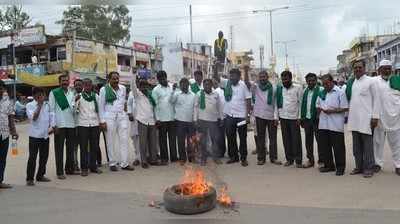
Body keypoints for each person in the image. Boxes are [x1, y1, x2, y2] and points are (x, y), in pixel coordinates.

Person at [346, 60, 379, 178]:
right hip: (354, 119)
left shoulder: (371, 81)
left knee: (368, 146)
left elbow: (377, 100)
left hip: (366, 119)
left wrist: (375, 117)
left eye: (360, 67)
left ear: (364, 68)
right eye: (355, 68)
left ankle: (369, 168)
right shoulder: (352, 82)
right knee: (356, 147)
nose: (357, 69)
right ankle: (359, 167)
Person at [215, 68, 252, 166]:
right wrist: (215, 68)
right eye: (230, 75)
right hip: (229, 116)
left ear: (239, 77)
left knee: (242, 137)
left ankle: (243, 158)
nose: (232, 77)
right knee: (231, 137)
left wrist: (248, 115)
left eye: (234, 75)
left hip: (241, 117)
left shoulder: (243, 85)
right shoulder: (227, 83)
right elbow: (216, 78)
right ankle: (234, 157)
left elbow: (248, 100)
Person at [99, 71, 134, 172]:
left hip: (122, 116)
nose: (116, 80)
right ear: (109, 79)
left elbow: (124, 102)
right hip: (109, 117)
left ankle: (124, 163)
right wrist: (102, 121)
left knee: (124, 140)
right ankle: (112, 163)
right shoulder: (104, 89)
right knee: (110, 141)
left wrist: (126, 112)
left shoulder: (123, 88)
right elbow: (101, 106)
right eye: (113, 78)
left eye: (117, 78)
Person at [245, 70, 282, 166]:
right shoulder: (256, 87)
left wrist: (276, 117)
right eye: (260, 77)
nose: (262, 78)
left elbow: (276, 104)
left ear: (267, 77)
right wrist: (246, 71)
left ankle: (273, 158)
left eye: (264, 77)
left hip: (271, 117)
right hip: (259, 116)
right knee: (260, 138)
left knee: (272, 138)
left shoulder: (274, 88)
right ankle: (261, 158)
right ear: (258, 78)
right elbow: (247, 84)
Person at [316, 74, 348, 176]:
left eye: (327, 83)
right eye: (323, 84)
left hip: (336, 125)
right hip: (323, 124)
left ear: (332, 82)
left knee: (338, 147)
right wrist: (319, 109)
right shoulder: (321, 93)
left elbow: (345, 108)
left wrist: (332, 111)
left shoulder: (340, 92)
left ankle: (340, 167)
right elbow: (317, 104)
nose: (325, 86)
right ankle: (329, 165)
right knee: (325, 147)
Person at [373, 59, 400, 176]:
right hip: (379, 118)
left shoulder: (397, 80)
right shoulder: (374, 82)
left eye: (389, 68)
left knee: (397, 144)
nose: (388, 70)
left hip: (395, 118)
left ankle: (398, 165)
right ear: (379, 70)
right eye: (385, 68)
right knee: (378, 142)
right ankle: (377, 164)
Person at [49, 73, 77, 179]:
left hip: (71, 124)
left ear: (69, 81)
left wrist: (76, 103)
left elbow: (74, 110)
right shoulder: (54, 93)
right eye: (63, 81)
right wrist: (53, 125)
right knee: (59, 149)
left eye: (66, 80)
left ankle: (70, 169)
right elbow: (51, 110)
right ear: (59, 82)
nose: (65, 82)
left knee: (70, 149)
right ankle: (60, 172)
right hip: (59, 125)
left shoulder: (72, 93)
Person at [25, 87, 53, 186]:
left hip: (45, 135)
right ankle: (29, 178)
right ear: (34, 96)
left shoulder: (48, 105)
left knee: (44, 157)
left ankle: (40, 175)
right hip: (34, 136)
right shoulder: (29, 105)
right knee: (32, 157)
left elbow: (51, 116)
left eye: (41, 94)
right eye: (37, 94)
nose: (40, 96)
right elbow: (34, 118)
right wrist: (40, 105)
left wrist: (52, 127)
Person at [75, 78, 102, 176]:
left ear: (91, 85)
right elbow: (74, 111)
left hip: (94, 124)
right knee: (83, 147)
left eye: (89, 84)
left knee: (94, 146)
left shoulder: (96, 96)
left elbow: (100, 110)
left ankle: (93, 166)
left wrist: (101, 122)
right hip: (83, 125)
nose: (87, 86)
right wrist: (75, 102)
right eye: (85, 85)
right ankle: (84, 168)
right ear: (83, 86)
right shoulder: (79, 96)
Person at [276, 70, 304, 168]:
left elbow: (300, 103)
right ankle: (289, 159)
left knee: (296, 140)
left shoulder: (298, 88)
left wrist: (300, 117)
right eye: (283, 79)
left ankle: (298, 160)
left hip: (294, 118)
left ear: (290, 78)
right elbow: (277, 104)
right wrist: (276, 117)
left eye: (286, 79)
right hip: (283, 117)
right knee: (286, 140)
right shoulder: (279, 89)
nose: (284, 81)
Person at [131, 77, 160, 168]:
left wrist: (157, 119)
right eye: (142, 86)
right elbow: (132, 86)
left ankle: (153, 160)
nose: (144, 87)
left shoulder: (150, 95)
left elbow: (155, 108)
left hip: (152, 121)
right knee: (142, 143)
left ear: (147, 86)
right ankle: (143, 161)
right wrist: (133, 75)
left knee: (153, 142)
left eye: (145, 86)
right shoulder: (137, 95)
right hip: (142, 121)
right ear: (139, 87)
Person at [194, 79, 224, 165]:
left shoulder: (216, 94)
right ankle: (203, 158)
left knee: (215, 140)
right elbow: (195, 107)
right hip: (202, 120)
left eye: (208, 84)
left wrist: (221, 118)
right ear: (203, 86)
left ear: (211, 85)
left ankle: (216, 158)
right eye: (205, 85)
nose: (207, 86)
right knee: (203, 141)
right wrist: (195, 120)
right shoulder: (199, 94)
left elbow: (220, 107)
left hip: (213, 120)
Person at [152, 70, 177, 164]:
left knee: (172, 139)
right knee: (162, 140)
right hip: (161, 119)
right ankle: (164, 158)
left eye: (164, 77)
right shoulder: (156, 90)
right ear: (158, 80)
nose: (163, 80)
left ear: (166, 77)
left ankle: (174, 157)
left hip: (172, 117)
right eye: (160, 78)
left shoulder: (172, 86)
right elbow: (155, 105)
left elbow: (175, 100)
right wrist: (157, 119)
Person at [170, 78, 196, 163]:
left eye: (185, 84)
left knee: (191, 141)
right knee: (180, 141)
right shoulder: (177, 94)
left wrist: (195, 119)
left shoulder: (193, 95)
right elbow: (170, 101)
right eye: (181, 84)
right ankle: (182, 158)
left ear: (188, 85)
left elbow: (195, 108)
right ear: (180, 85)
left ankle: (191, 157)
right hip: (180, 121)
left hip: (191, 121)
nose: (183, 86)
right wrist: (173, 90)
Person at [300, 73, 322, 168]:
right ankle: (310, 160)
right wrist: (302, 117)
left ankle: (321, 160)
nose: (311, 82)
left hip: (317, 119)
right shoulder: (305, 91)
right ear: (306, 82)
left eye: (313, 80)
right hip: (307, 119)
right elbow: (302, 105)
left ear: (316, 80)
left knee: (320, 141)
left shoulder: (321, 90)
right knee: (308, 141)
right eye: (309, 81)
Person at [0, 80, 18, 189]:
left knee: (2, 159)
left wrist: (14, 131)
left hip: (4, 134)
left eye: (1, 88)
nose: (0, 90)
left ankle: (0, 180)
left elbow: (11, 117)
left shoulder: (8, 101)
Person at [127, 85, 141, 167]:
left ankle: (143, 157)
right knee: (135, 138)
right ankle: (137, 157)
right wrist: (129, 113)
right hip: (134, 119)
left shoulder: (144, 91)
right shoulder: (131, 93)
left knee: (142, 138)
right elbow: (129, 104)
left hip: (143, 118)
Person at [213, 79, 226, 158]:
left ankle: (229, 151)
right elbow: (217, 105)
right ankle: (220, 152)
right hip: (219, 117)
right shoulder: (216, 91)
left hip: (228, 116)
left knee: (228, 135)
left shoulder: (229, 90)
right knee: (219, 136)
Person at [73, 79, 83, 172]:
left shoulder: (86, 95)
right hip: (74, 125)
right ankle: (75, 165)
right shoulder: (71, 96)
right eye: (76, 85)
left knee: (84, 146)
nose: (78, 87)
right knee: (74, 147)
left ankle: (86, 165)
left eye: (80, 85)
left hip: (84, 125)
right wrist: (74, 101)